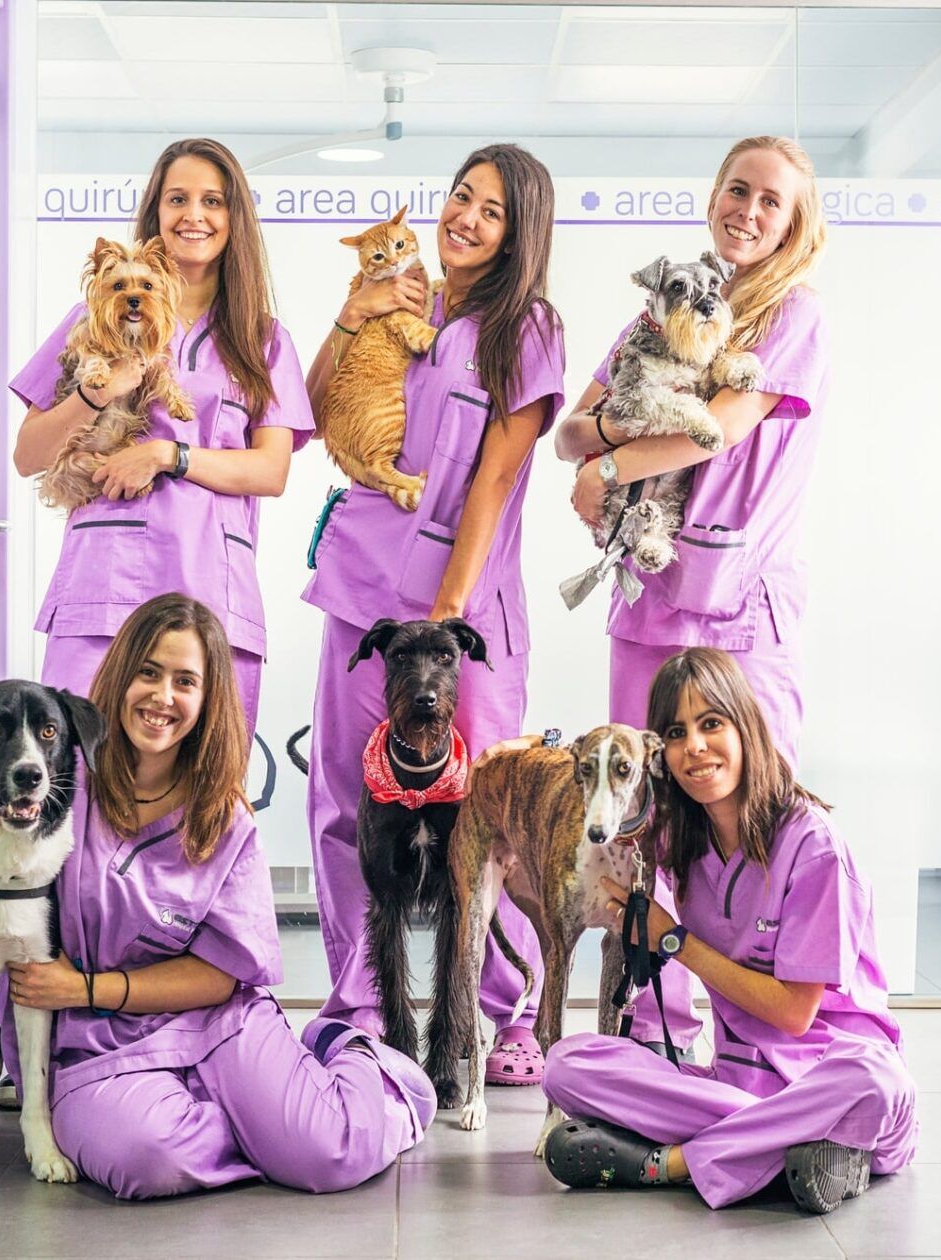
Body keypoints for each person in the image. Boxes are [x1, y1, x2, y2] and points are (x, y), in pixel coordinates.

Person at [0, 594, 435, 1200]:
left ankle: (348, 1055)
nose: (162, 696)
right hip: (92, 1043)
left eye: (185, 681)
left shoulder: (223, 818)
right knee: (146, 1161)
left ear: (206, 701)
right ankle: (253, 1125)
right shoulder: (62, 775)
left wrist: (86, 987)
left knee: (329, 1153)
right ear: (121, 676)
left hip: (214, 1023)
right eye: (148, 672)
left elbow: (224, 978)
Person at [553, 135, 831, 1054]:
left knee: (751, 823)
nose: (748, 211)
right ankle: (647, 1032)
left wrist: (610, 461)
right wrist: (593, 451)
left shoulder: (791, 317)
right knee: (639, 821)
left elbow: (717, 429)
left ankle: (766, 1042)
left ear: (793, 225)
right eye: (736, 190)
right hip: (650, 597)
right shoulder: (658, 307)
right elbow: (567, 432)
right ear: (713, 195)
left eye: (770, 202)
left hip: (744, 607)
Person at [299, 144, 566, 1084]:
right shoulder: (406, 301)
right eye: (460, 196)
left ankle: (501, 1014)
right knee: (341, 800)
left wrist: (449, 611)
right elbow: (314, 405)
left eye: (491, 209)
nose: (465, 217)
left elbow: (498, 472)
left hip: (463, 615)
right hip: (362, 592)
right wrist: (350, 313)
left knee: (486, 818)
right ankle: (361, 1006)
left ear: (519, 230)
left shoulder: (526, 326)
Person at [539, 647, 916, 1214]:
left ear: (745, 725)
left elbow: (794, 1015)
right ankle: (801, 1152)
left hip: (834, 1078)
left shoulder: (812, 845)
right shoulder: (682, 847)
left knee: (875, 1081)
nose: (695, 746)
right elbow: (620, 810)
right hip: (741, 1085)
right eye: (676, 731)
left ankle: (673, 1163)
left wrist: (675, 942)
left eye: (711, 723)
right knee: (570, 1064)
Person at [12, 138, 313, 728]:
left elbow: (269, 471)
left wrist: (166, 454)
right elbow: (28, 455)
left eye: (213, 201)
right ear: (157, 211)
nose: (194, 216)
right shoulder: (91, 318)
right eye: (178, 199)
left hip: (212, 580)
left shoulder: (263, 338)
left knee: (205, 786)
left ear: (235, 219)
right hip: (105, 577)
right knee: (80, 773)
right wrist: (97, 393)